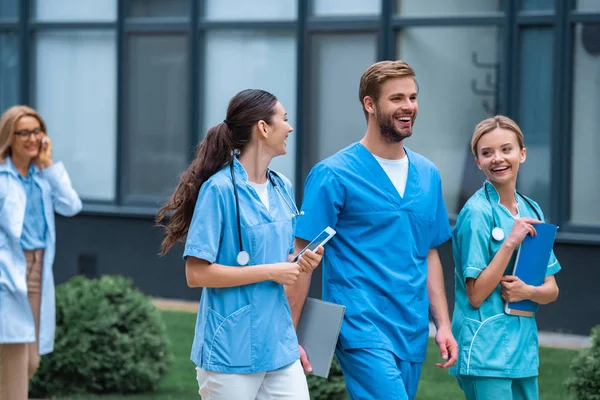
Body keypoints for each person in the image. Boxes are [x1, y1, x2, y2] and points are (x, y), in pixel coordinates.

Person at [285, 60, 458, 400]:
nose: (408, 106)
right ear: (369, 104)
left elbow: (430, 254)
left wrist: (443, 325)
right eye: (396, 98)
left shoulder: (428, 175)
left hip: (411, 327)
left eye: (412, 97)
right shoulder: (333, 174)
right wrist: (290, 334)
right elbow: (302, 256)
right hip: (360, 325)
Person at [156, 89, 323, 400]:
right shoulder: (218, 190)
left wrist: (299, 261)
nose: (289, 127)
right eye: (283, 120)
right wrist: (271, 271)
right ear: (262, 128)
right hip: (230, 347)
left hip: (279, 344)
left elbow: (277, 259)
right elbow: (197, 274)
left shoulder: (282, 187)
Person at [450, 115, 560, 400]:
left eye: (506, 149)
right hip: (486, 351)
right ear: (477, 161)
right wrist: (510, 242)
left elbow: (551, 290)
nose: (497, 158)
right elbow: (476, 295)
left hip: (523, 352)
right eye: (486, 153)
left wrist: (528, 291)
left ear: (522, 154)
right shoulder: (476, 214)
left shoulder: (532, 209)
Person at [0, 105, 82, 399]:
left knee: (31, 360)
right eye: (24, 132)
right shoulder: (2, 178)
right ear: (10, 136)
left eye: (37, 131)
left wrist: (48, 166)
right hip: (7, 273)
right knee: (14, 358)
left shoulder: (42, 177)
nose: (33, 138)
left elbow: (72, 206)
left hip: (37, 272)